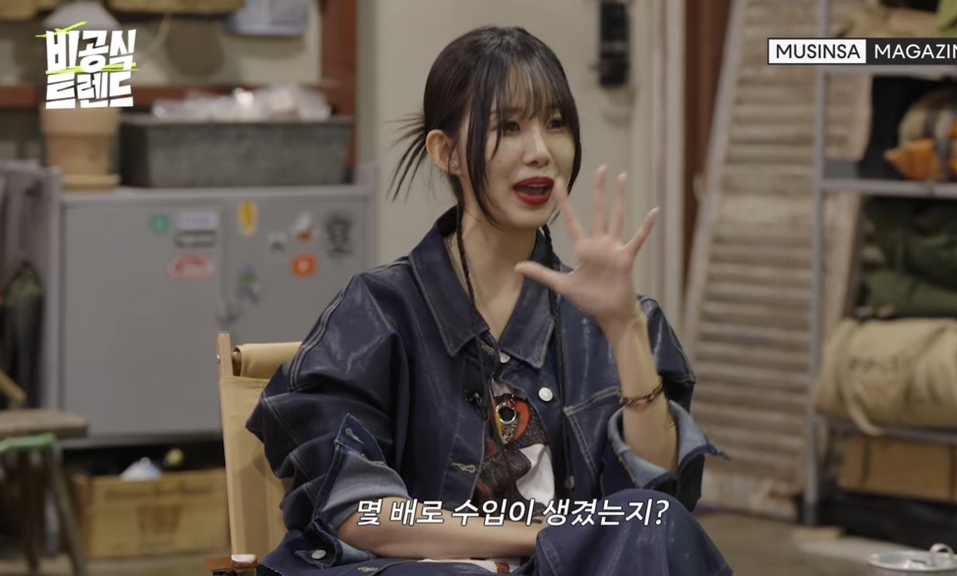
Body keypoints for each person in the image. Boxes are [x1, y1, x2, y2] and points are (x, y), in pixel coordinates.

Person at [247, 25, 731, 576]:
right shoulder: (379, 310)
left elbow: (657, 501)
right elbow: (360, 513)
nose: (541, 152)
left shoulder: (615, 317)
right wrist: (546, 538)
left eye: (556, 124)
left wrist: (624, 330)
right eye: (509, 127)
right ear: (446, 152)